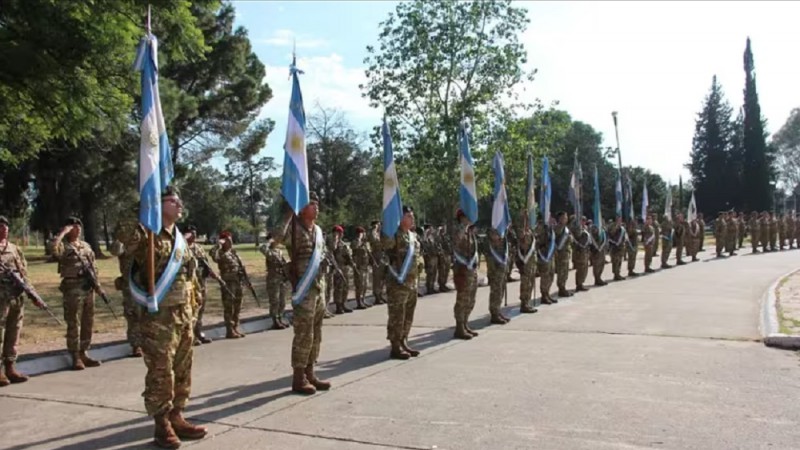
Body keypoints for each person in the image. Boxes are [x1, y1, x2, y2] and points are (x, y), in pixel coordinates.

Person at [125, 187, 207, 448]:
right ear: (157, 205)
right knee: (161, 371)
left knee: (183, 368)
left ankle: (177, 415)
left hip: (183, 313)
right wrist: (142, 202)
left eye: (179, 200)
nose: (179, 204)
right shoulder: (146, 233)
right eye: (172, 200)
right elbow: (123, 233)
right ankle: (161, 424)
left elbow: (189, 276)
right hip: (158, 318)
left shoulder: (179, 238)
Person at [273, 192, 331, 395]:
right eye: (311, 204)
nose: (317, 207)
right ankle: (299, 377)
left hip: (318, 286)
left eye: (317, 204)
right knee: (303, 333)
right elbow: (276, 238)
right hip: (304, 288)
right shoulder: (294, 229)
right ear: (301, 208)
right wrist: (289, 213)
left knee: (316, 332)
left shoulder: (318, 230)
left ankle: (310, 372)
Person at [0, 215, 46, 386]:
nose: (4, 229)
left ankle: (10, 367)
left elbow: (24, 274)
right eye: (0, 226)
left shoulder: (14, 249)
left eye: (6, 226)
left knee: (14, 331)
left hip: (16, 296)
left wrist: (33, 295)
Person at [51, 217, 102, 370]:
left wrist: (97, 284)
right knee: (74, 322)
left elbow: (93, 266)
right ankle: (74, 355)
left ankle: (84, 352)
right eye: (73, 227)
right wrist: (62, 233)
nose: (77, 229)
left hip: (88, 287)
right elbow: (54, 250)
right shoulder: (64, 246)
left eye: (79, 226)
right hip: (72, 288)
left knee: (88, 320)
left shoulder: (85, 246)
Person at [382, 206, 422, 359]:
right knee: (397, 316)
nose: (412, 219)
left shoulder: (413, 236)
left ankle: (404, 340)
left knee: (408, 315)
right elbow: (385, 245)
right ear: (400, 218)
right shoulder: (394, 235)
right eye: (408, 216)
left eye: (412, 216)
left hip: (412, 283)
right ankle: (395, 346)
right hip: (398, 284)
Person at [110, 209, 143, 356]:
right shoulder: (123, 238)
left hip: (147, 281)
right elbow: (115, 251)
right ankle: (136, 345)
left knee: (149, 314)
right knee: (132, 314)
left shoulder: (149, 234)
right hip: (130, 282)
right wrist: (121, 239)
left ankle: (148, 341)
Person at [185, 225, 222, 344]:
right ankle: (190, 336)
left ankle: (198, 332)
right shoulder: (181, 247)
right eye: (191, 233)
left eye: (195, 233)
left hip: (201, 283)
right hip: (189, 284)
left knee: (200, 309)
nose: (194, 235)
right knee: (190, 310)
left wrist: (212, 273)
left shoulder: (199, 248)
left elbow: (205, 263)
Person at [210, 232, 246, 338]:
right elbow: (212, 255)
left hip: (238, 282)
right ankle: (229, 330)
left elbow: (240, 267)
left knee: (237, 306)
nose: (230, 242)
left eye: (231, 240)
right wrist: (218, 244)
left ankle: (235, 327)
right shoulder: (220, 253)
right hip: (228, 283)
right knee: (229, 307)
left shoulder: (233, 253)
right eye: (228, 240)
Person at [452, 209, 479, 340]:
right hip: (462, 269)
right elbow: (457, 240)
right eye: (466, 217)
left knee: (471, 298)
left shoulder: (470, 231)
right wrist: (464, 226)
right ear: (461, 218)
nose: (469, 219)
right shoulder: (458, 230)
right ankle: (459, 327)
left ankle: (465, 323)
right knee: (462, 299)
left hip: (471, 269)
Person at [260, 234, 292, 330]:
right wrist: (268, 241)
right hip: (273, 279)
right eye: (276, 239)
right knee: (275, 301)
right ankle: (275, 321)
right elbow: (262, 248)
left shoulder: (279, 251)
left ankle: (280, 318)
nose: (277, 241)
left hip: (281, 279)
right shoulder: (268, 251)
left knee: (282, 301)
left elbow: (284, 264)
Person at [484, 228, 509, 324]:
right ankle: (494, 314)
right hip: (495, 267)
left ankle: (498, 311)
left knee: (500, 290)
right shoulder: (493, 230)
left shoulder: (502, 233)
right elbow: (491, 249)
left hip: (501, 267)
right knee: (496, 291)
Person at [350, 227, 371, 309]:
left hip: (365, 266)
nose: (362, 235)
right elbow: (355, 249)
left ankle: (363, 300)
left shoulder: (365, 243)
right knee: (360, 285)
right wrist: (361, 242)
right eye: (361, 233)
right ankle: (359, 302)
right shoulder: (355, 242)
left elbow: (368, 252)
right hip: (359, 266)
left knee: (366, 284)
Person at [553, 211, 573, 297]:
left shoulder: (566, 228)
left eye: (566, 217)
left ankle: (563, 287)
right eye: (565, 217)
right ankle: (561, 289)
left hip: (565, 253)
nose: (566, 218)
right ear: (560, 219)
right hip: (560, 254)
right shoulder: (558, 228)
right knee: (561, 272)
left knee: (565, 272)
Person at [367, 221, 387, 304]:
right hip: (376, 257)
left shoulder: (380, 234)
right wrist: (374, 229)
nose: (379, 226)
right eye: (378, 225)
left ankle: (381, 294)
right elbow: (374, 241)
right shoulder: (372, 234)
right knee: (377, 279)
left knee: (382, 278)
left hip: (382, 257)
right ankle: (377, 296)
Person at [571, 215, 591, 291]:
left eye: (584, 220)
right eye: (582, 220)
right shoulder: (576, 230)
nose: (584, 222)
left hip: (585, 251)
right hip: (580, 252)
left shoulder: (585, 228)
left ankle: (581, 283)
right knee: (580, 268)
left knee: (585, 268)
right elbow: (576, 240)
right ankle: (579, 284)